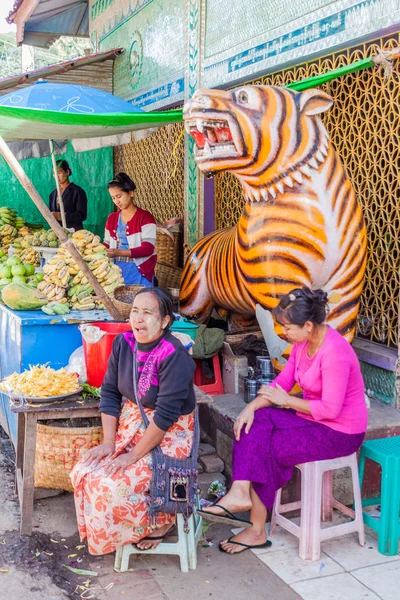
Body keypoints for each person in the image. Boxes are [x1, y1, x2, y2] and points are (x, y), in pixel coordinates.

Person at [198, 287, 368, 555]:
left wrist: (285, 401)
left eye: (287, 326)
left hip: (340, 432)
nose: (282, 332)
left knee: (268, 446)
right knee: (253, 424)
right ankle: (240, 491)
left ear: (308, 325)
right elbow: (283, 383)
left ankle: (255, 529)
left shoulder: (335, 352)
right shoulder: (302, 345)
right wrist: (251, 407)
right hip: (311, 418)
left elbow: (330, 410)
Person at [71, 288, 196, 555]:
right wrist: (108, 443)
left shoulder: (175, 357)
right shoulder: (123, 344)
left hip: (168, 437)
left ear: (164, 321)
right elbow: (110, 392)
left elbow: (164, 419)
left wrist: (131, 457)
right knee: (84, 470)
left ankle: (160, 522)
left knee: (109, 485)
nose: (138, 318)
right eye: (135, 311)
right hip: (131, 427)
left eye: (147, 313)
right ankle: (124, 529)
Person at [104, 172, 157, 286]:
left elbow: (148, 248)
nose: (117, 201)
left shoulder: (145, 217)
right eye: (113, 198)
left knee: (142, 302)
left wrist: (119, 252)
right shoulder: (112, 218)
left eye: (119, 196)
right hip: (116, 271)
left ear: (131, 193)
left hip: (140, 271)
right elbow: (107, 244)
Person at [49, 159, 87, 231]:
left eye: (59, 172)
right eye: (54, 173)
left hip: (74, 234)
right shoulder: (52, 194)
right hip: (58, 233)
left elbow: (81, 215)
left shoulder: (77, 191)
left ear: (67, 172)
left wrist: (60, 215)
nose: (56, 176)